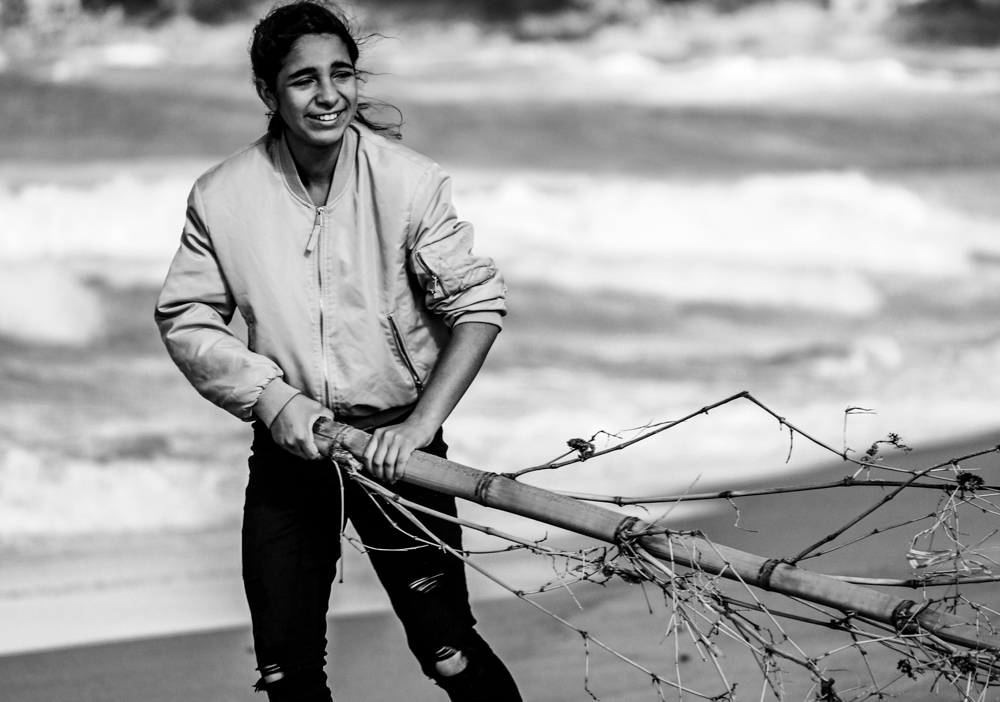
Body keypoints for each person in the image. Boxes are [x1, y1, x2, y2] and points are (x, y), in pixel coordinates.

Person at [154, 2, 522, 700]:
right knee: (285, 672)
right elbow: (187, 316)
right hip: (291, 450)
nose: (328, 95)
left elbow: (476, 307)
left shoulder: (409, 182)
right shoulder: (222, 197)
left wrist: (418, 428)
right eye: (304, 79)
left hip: (397, 452)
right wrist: (273, 398)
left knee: (449, 652)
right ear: (269, 92)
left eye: (341, 73)